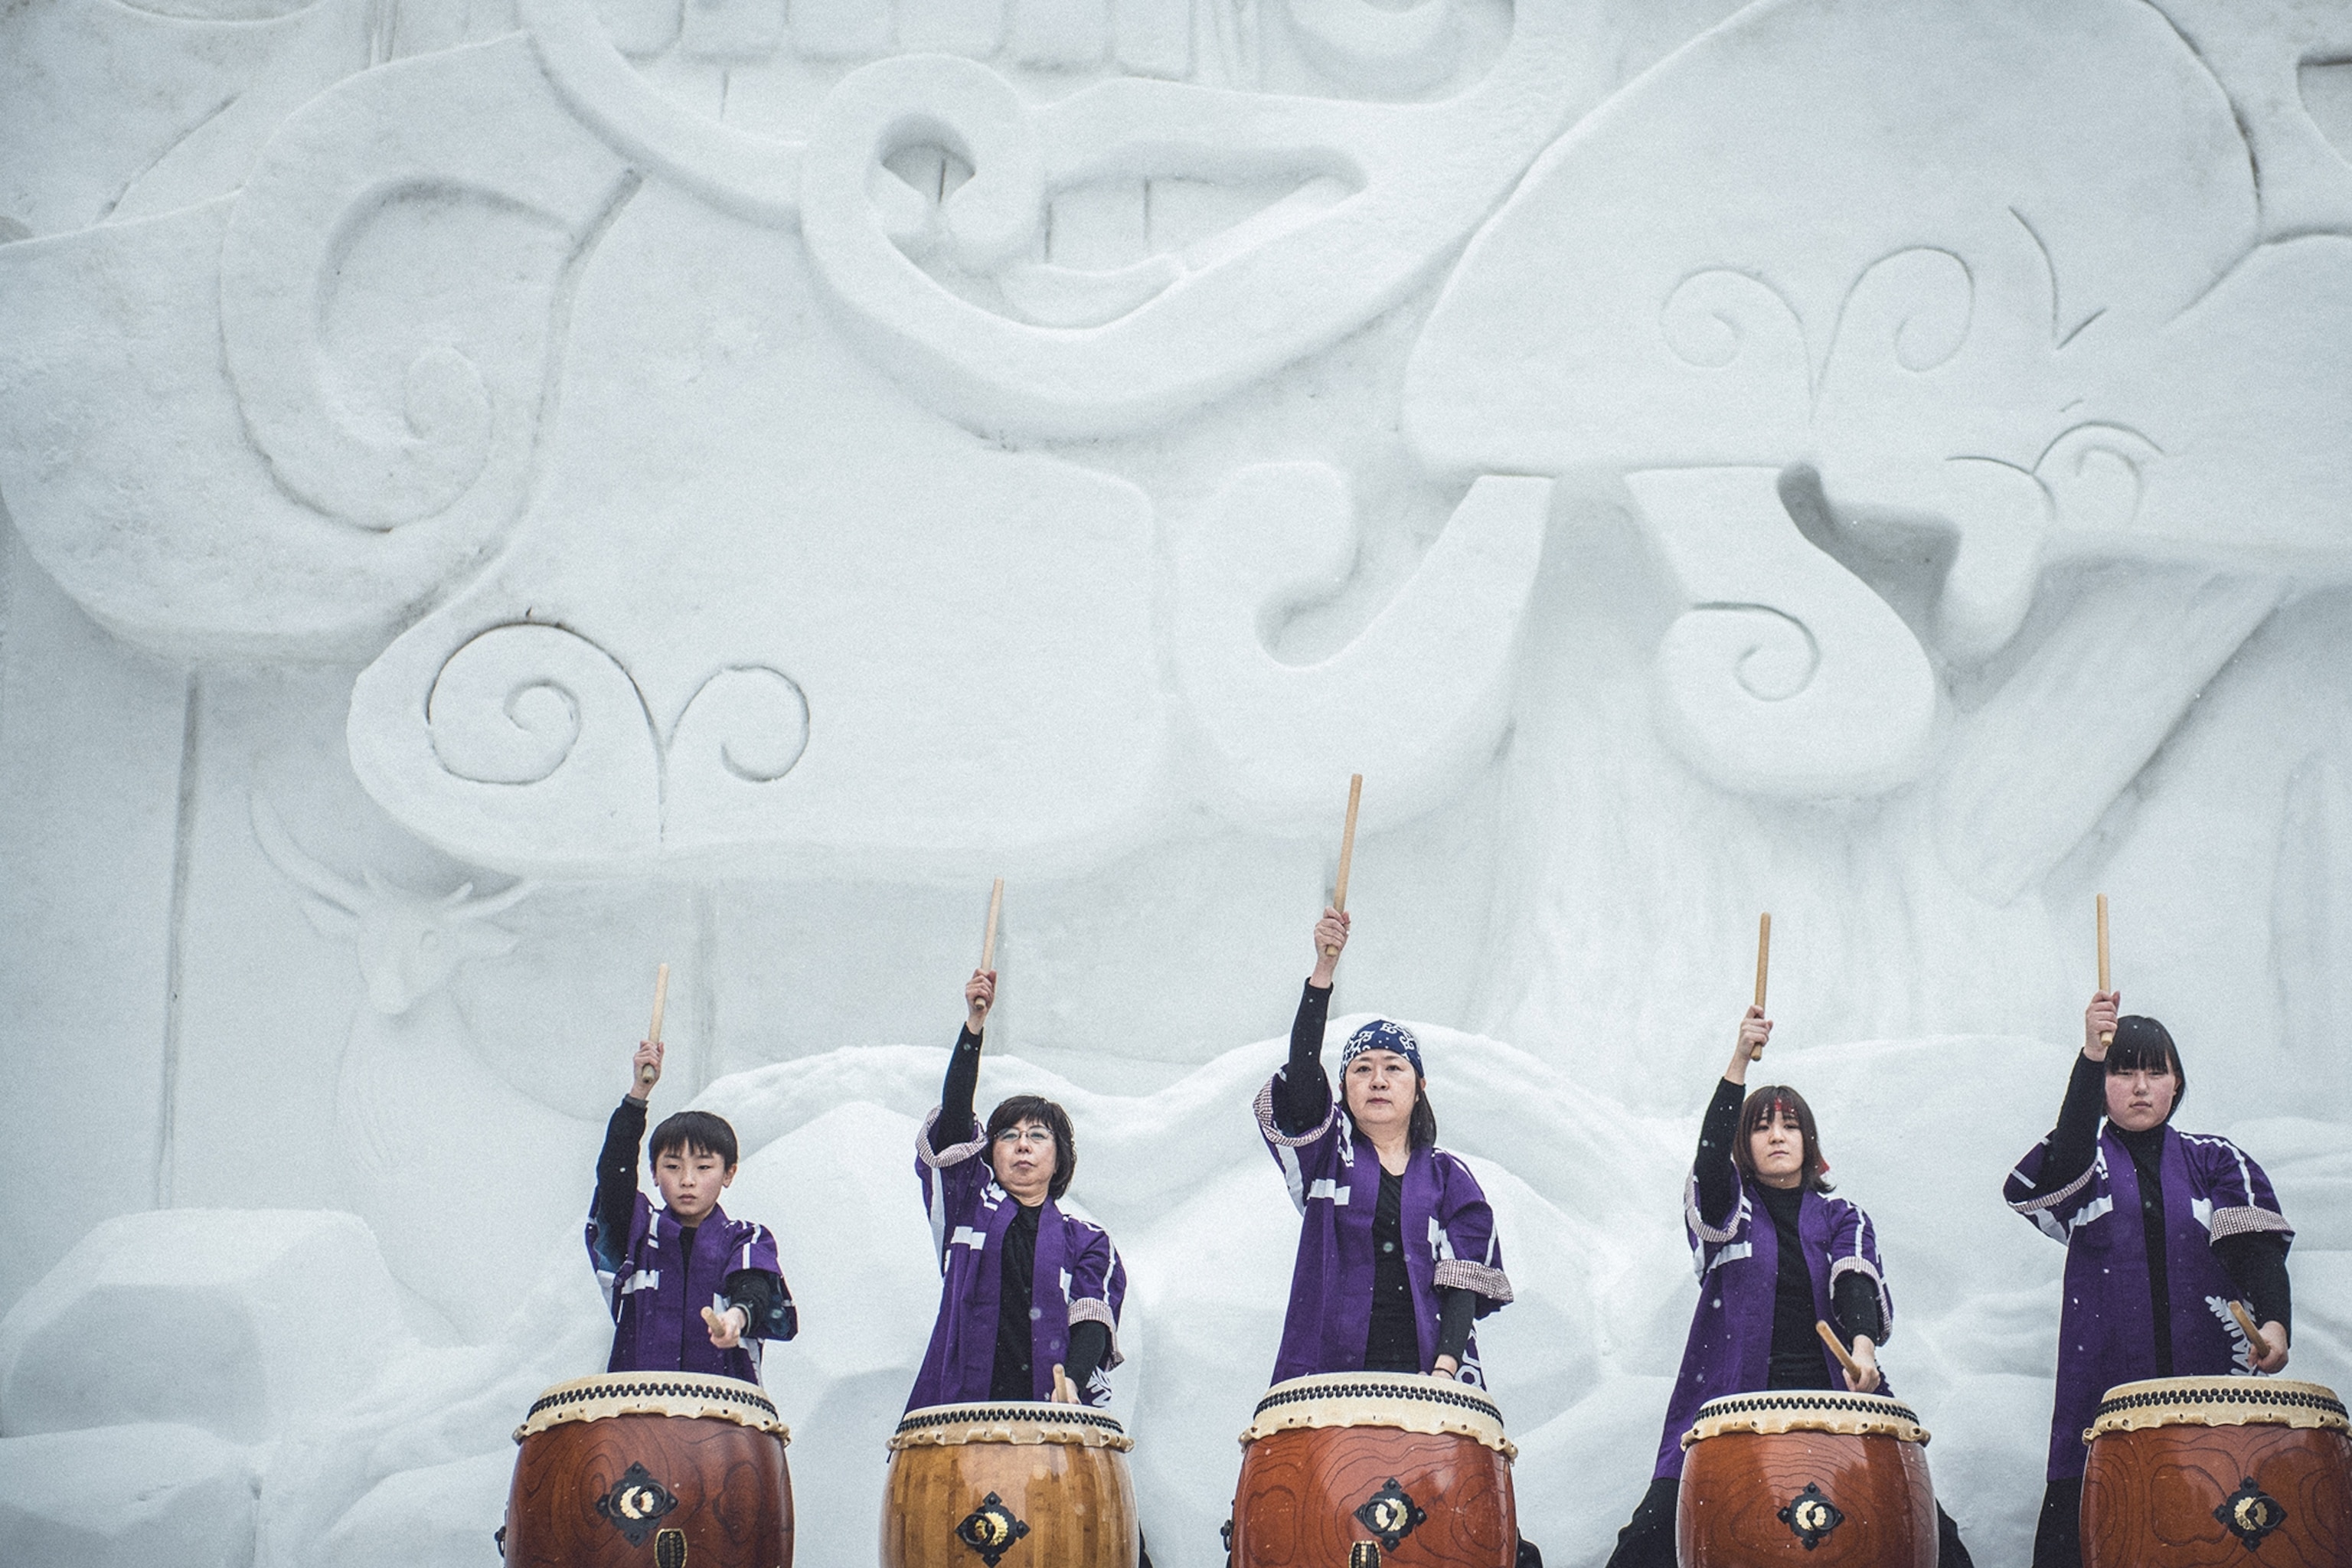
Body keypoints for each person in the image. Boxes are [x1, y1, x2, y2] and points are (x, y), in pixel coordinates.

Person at [1606, 1006, 1972, 1567]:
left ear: (1808, 1139)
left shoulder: (1840, 1215)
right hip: (1729, 1398)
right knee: (1650, 1539)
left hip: (1837, 1394)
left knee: (1931, 1534)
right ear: (1744, 1144)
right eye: (1761, 1126)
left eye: (1789, 1124)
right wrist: (1737, 1064)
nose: (1776, 1135)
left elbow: (1854, 1282)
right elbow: (1708, 1162)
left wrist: (1864, 1352)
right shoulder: (1730, 1209)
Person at [2004, 991, 2293, 1568]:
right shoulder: (2085, 1163)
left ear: (2176, 1084)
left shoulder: (2215, 1161)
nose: (2139, 1086)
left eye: (2154, 1072)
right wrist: (2088, 1057)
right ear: (2103, 1085)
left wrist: (2276, 1323)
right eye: (2122, 1071)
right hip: (2104, 1386)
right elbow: (2058, 1171)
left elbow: (2255, 1251)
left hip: (2211, 1384)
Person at [907, 964, 1127, 1410]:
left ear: (1059, 1156)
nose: (1022, 1145)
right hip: (957, 1414)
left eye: (1038, 1136)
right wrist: (973, 1028)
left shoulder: (1086, 1243)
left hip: (1049, 1418)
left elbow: (1092, 1318)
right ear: (990, 1153)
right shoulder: (969, 1207)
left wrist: (1072, 1384)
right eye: (1008, 1136)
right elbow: (953, 1121)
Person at [587, 1036, 796, 1380]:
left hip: (723, 1411)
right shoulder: (638, 1235)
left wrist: (736, 1318)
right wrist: (638, 1095)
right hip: (640, 1408)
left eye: (703, 1167)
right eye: (672, 1167)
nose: (687, 1180)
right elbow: (613, 1177)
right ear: (653, 1173)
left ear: (728, 1173)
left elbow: (754, 1289)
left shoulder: (744, 1239)